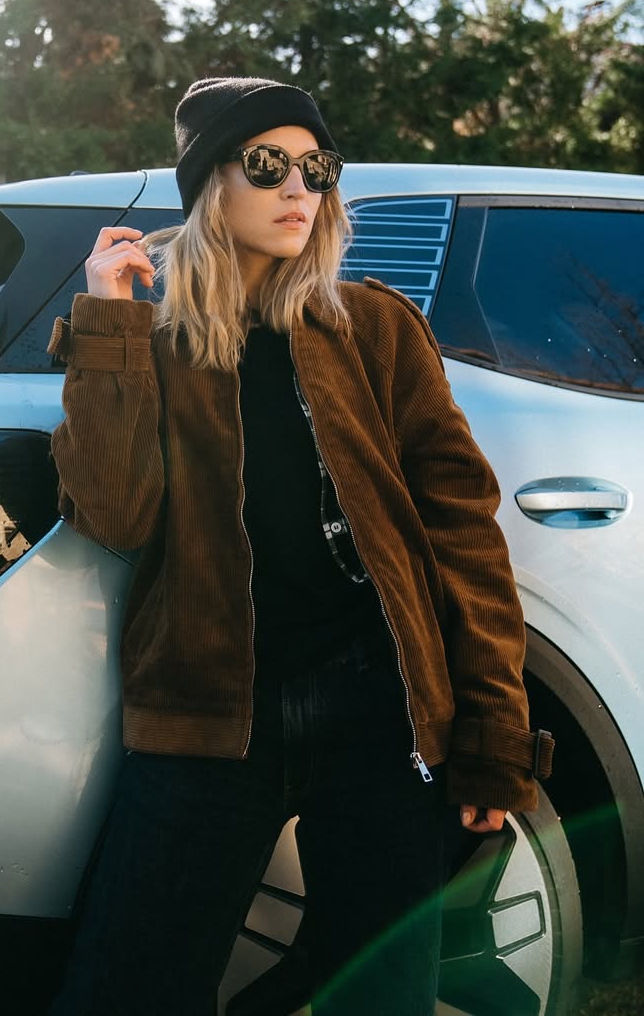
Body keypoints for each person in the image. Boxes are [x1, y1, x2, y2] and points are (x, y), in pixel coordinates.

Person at [45, 77, 553, 1016]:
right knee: (126, 987)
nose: (298, 189)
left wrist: (492, 734)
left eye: (317, 169)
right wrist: (108, 318)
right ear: (210, 183)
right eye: (268, 164)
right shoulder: (150, 338)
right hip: (210, 709)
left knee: (382, 996)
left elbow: (463, 535)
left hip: (380, 709)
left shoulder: (375, 328)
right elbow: (114, 515)